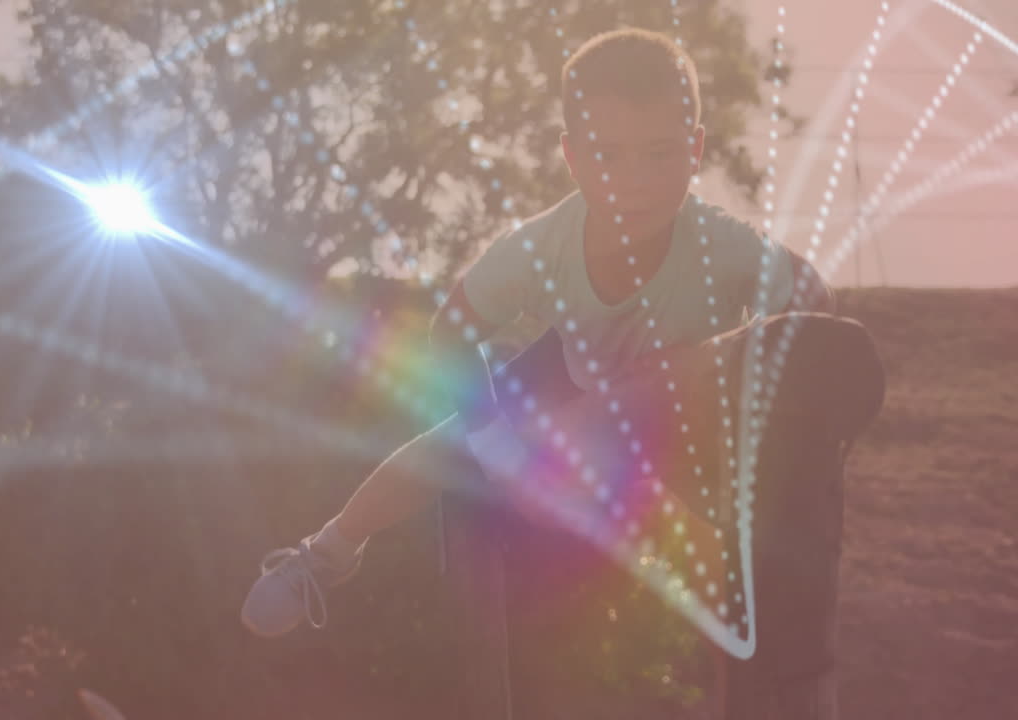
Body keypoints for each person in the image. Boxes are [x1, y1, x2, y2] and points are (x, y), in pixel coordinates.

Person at [241, 26, 843, 717]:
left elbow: (814, 298)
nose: (637, 180)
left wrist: (727, 356)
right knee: (450, 442)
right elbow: (450, 330)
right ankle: (328, 550)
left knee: (710, 540)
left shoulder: (720, 245)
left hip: (677, 410)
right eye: (609, 156)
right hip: (572, 382)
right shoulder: (540, 246)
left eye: (661, 153)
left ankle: (762, 657)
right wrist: (495, 438)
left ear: (696, 149)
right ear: (573, 158)